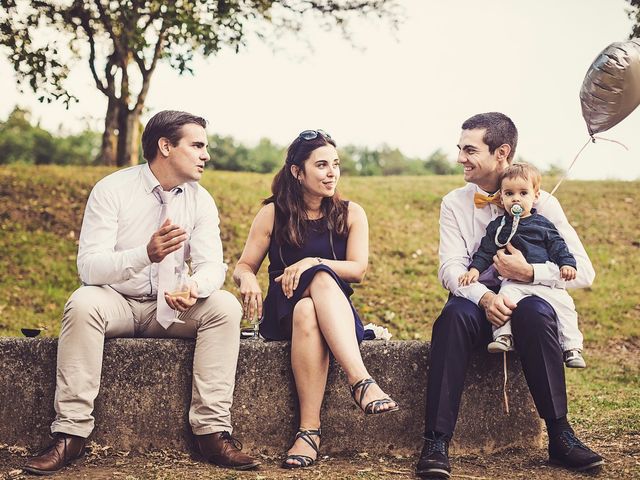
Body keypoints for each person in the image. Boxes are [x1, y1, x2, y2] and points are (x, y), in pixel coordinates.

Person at [24, 110, 259, 475]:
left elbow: (213, 266)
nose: (206, 155)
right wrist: (144, 255)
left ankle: (212, 433)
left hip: (172, 307)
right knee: (82, 303)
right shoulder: (112, 190)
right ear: (165, 146)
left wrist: (193, 288)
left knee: (225, 307)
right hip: (116, 302)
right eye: (197, 145)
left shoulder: (201, 200)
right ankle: (70, 434)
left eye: (205, 147)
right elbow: (88, 267)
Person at [415, 113, 603, 479]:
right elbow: (450, 268)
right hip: (477, 303)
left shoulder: (542, 202)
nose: (460, 159)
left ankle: (560, 435)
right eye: (460, 149)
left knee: (536, 313)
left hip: (529, 300)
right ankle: (436, 441)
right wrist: (485, 298)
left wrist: (530, 272)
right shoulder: (454, 203)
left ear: (501, 152)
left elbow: (584, 270)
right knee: (452, 317)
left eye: (469, 150)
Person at [233, 129, 399, 469]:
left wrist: (313, 261)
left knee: (312, 303)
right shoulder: (273, 214)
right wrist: (247, 279)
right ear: (297, 171)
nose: (331, 173)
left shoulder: (352, 213)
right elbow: (244, 266)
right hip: (281, 311)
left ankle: (308, 433)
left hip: (329, 313)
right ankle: (360, 381)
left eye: (335, 164)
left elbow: (358, 269)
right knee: (316, 286)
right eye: (321, 165)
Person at [458, 162, 586, 368]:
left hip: (544, 284)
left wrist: (566, 264)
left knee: (566, 307)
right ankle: (503, 337)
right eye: (509, 193)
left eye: (523, 193)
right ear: (501, 198)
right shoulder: (498, 226)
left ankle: (572, 348)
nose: (516, 198)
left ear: (535, 196)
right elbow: (485, 251)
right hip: (513, 282)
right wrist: (474, 269)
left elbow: (559, 246)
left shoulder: (543, 224)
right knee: (504, 301)